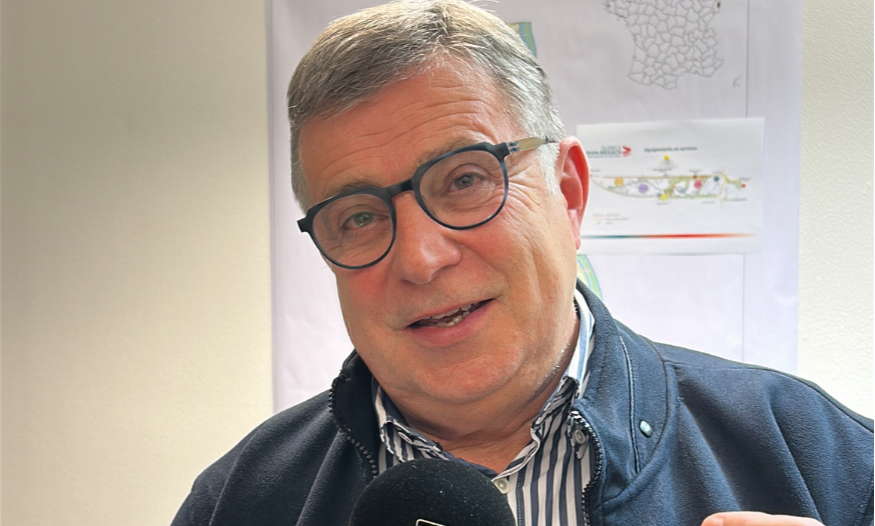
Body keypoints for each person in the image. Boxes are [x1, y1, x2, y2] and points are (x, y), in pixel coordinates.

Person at [172, 1, 874, 525]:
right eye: (357, 217)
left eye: (465, 179)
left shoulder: (824, 463)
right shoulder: (236, 502)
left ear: (568, 192)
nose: (420, 258)